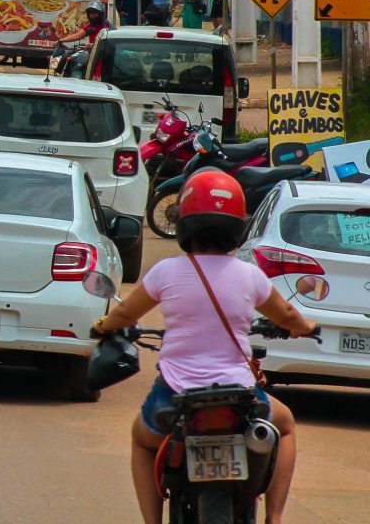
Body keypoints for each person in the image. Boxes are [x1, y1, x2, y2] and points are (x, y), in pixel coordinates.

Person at [91, 169, 318, 524]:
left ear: (184, 224)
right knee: (285, 427)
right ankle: (274, 519)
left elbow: (124, 314)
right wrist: (307, 327)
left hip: (177, 394)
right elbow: (288, 314)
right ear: (236, 227)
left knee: (141, 439)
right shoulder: (250, 275)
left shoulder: (166, 272)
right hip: (239, 394)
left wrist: (102, 326)